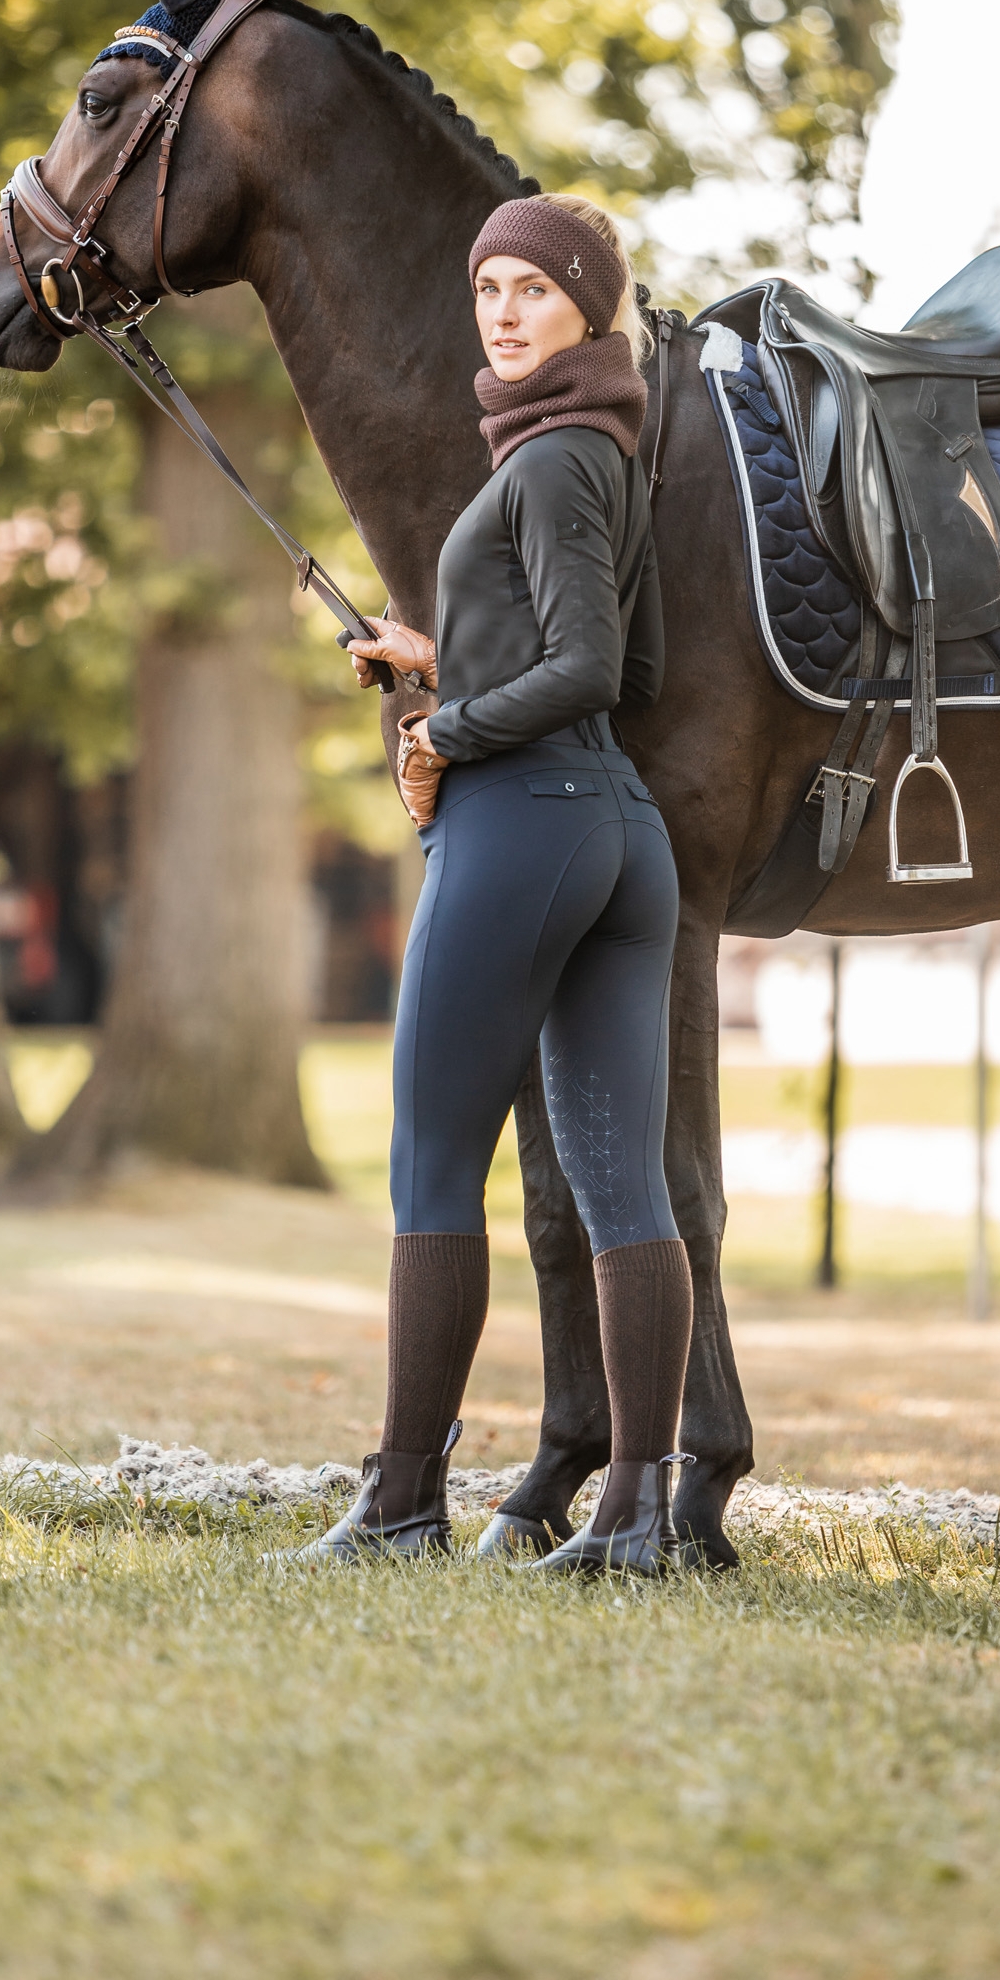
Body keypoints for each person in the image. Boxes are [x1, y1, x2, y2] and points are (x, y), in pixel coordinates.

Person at [300, 193, 691, 1575]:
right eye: (489, 291)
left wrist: (445, 732)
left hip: (525, 828)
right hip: (619, 839)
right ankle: (637, 1518)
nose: (506, 312)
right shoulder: (602, 451)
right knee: (618, 1180)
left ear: (591, 304)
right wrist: (436, 658)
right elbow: (628, 677)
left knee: (432, 1159)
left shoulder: (549, 465)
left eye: (535, 288)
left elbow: (585, 672)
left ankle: (404, 1504)